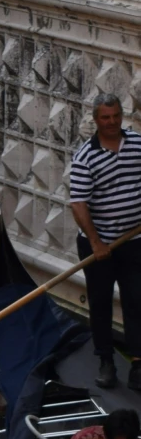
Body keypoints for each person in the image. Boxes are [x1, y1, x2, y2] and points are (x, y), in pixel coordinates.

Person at [71, 96, 141, 390]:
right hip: (97, 243)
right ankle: (106, 361)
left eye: (116, 116)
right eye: (105, 118)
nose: (112, 122)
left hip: (134, 239)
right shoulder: (85, 156)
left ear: (121, 116)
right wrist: (97, 243)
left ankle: (138, 364)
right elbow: (79, 204)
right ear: (96, 120)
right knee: (100, 303)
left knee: (137, 300)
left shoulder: (138, 144)